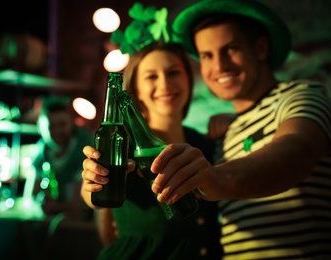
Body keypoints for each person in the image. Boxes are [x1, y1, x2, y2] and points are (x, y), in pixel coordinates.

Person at [142, 0, 331, 259]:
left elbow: (297, 150)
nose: (219, 66)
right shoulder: (224, 132)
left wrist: (215, 178)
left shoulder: (301, 96)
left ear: (261, 48)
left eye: (230, 49)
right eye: (207, 55)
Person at [81, 3, 235, 259]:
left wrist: (235, 121)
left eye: (174, 72)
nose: (165, 84)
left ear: (188, 79)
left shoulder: (206, 144)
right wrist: (92, 181)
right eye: (151, 76)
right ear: (135, 90)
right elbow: (90, 193)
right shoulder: (121, 144)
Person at [32, 95, 94, 220]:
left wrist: (55, 207)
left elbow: (80, 205)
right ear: (41, 128)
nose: (57, 131)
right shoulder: (40, 153)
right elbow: (31, 196)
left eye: (62, 124)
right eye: (51, 126)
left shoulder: (84, 151)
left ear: (71, 124)